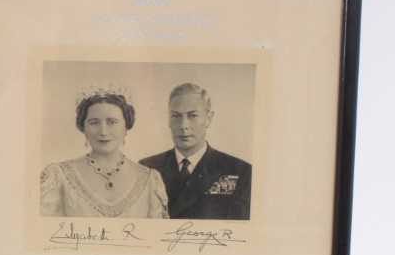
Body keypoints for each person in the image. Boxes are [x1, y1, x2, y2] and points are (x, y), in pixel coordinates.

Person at [40, 87, 168, 218]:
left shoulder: (150, 180)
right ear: (83, 127)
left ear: (126, 126)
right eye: (94, 122)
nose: (103, 131)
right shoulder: (59, 177)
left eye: (112, 122)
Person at [140, 83, 252, 220]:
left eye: (192, 116)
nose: (183, 126)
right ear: (168, 120)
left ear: (208, 118)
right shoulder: (146, 169)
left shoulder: (240, 171)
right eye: (176, 116)